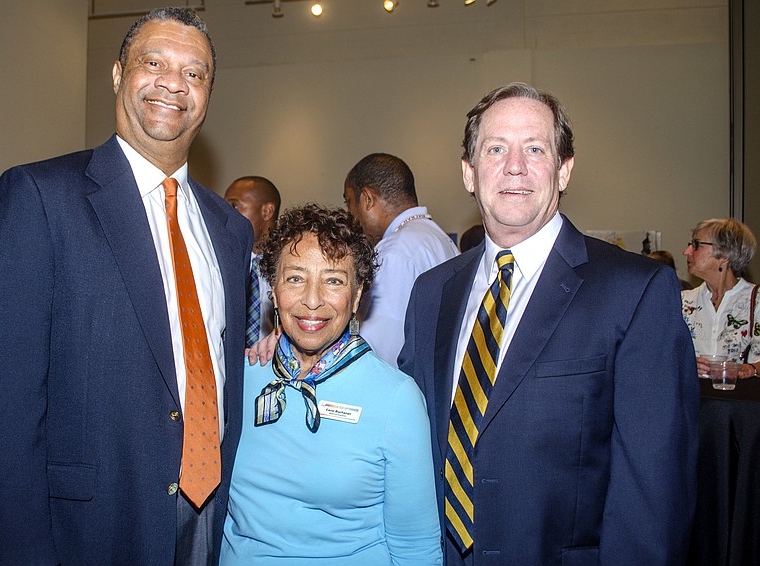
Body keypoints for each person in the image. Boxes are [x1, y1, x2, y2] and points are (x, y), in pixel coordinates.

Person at [0, 7, 252, 565]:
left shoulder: (230, 230)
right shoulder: (39, 199)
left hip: (209, 518)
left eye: (195, 73)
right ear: (118, 73)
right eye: (154, 62)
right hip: (89, 526)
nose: (174, 82)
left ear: (209, 95)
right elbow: (0, 413)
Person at [398, 82, 698, 565]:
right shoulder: (432, 291)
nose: (514, 165)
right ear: (469, 173)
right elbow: (402, 425)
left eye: (534, 149)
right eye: (495, 149)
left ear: (564, 170)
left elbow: (654, 488)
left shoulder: (636, 292)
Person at [221, 204, 442, 565]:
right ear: (273, 291)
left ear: (356, 297)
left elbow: (416, 548)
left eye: (334, 280)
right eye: (295, 278)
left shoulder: (396, 400)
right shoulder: (239, 379)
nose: (312, 300)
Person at [343, 153, 459, 365]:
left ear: (367, 199)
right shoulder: (438, 238)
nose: (350, 213)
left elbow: (379, 353)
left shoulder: (394, 252)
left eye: (349, 202)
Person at [681, 218, 760, 379]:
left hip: (742, 401)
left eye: (696, 245)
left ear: (724, 253)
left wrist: (750, 369)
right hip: (694, 401)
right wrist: (685, 363)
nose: (686, 251)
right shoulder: (682, 301)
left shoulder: (756, 300)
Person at [224, 176, 281, 346]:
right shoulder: (221, 261)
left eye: (234, 206)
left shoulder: (290, 264)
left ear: (267, 211)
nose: (226, 213)